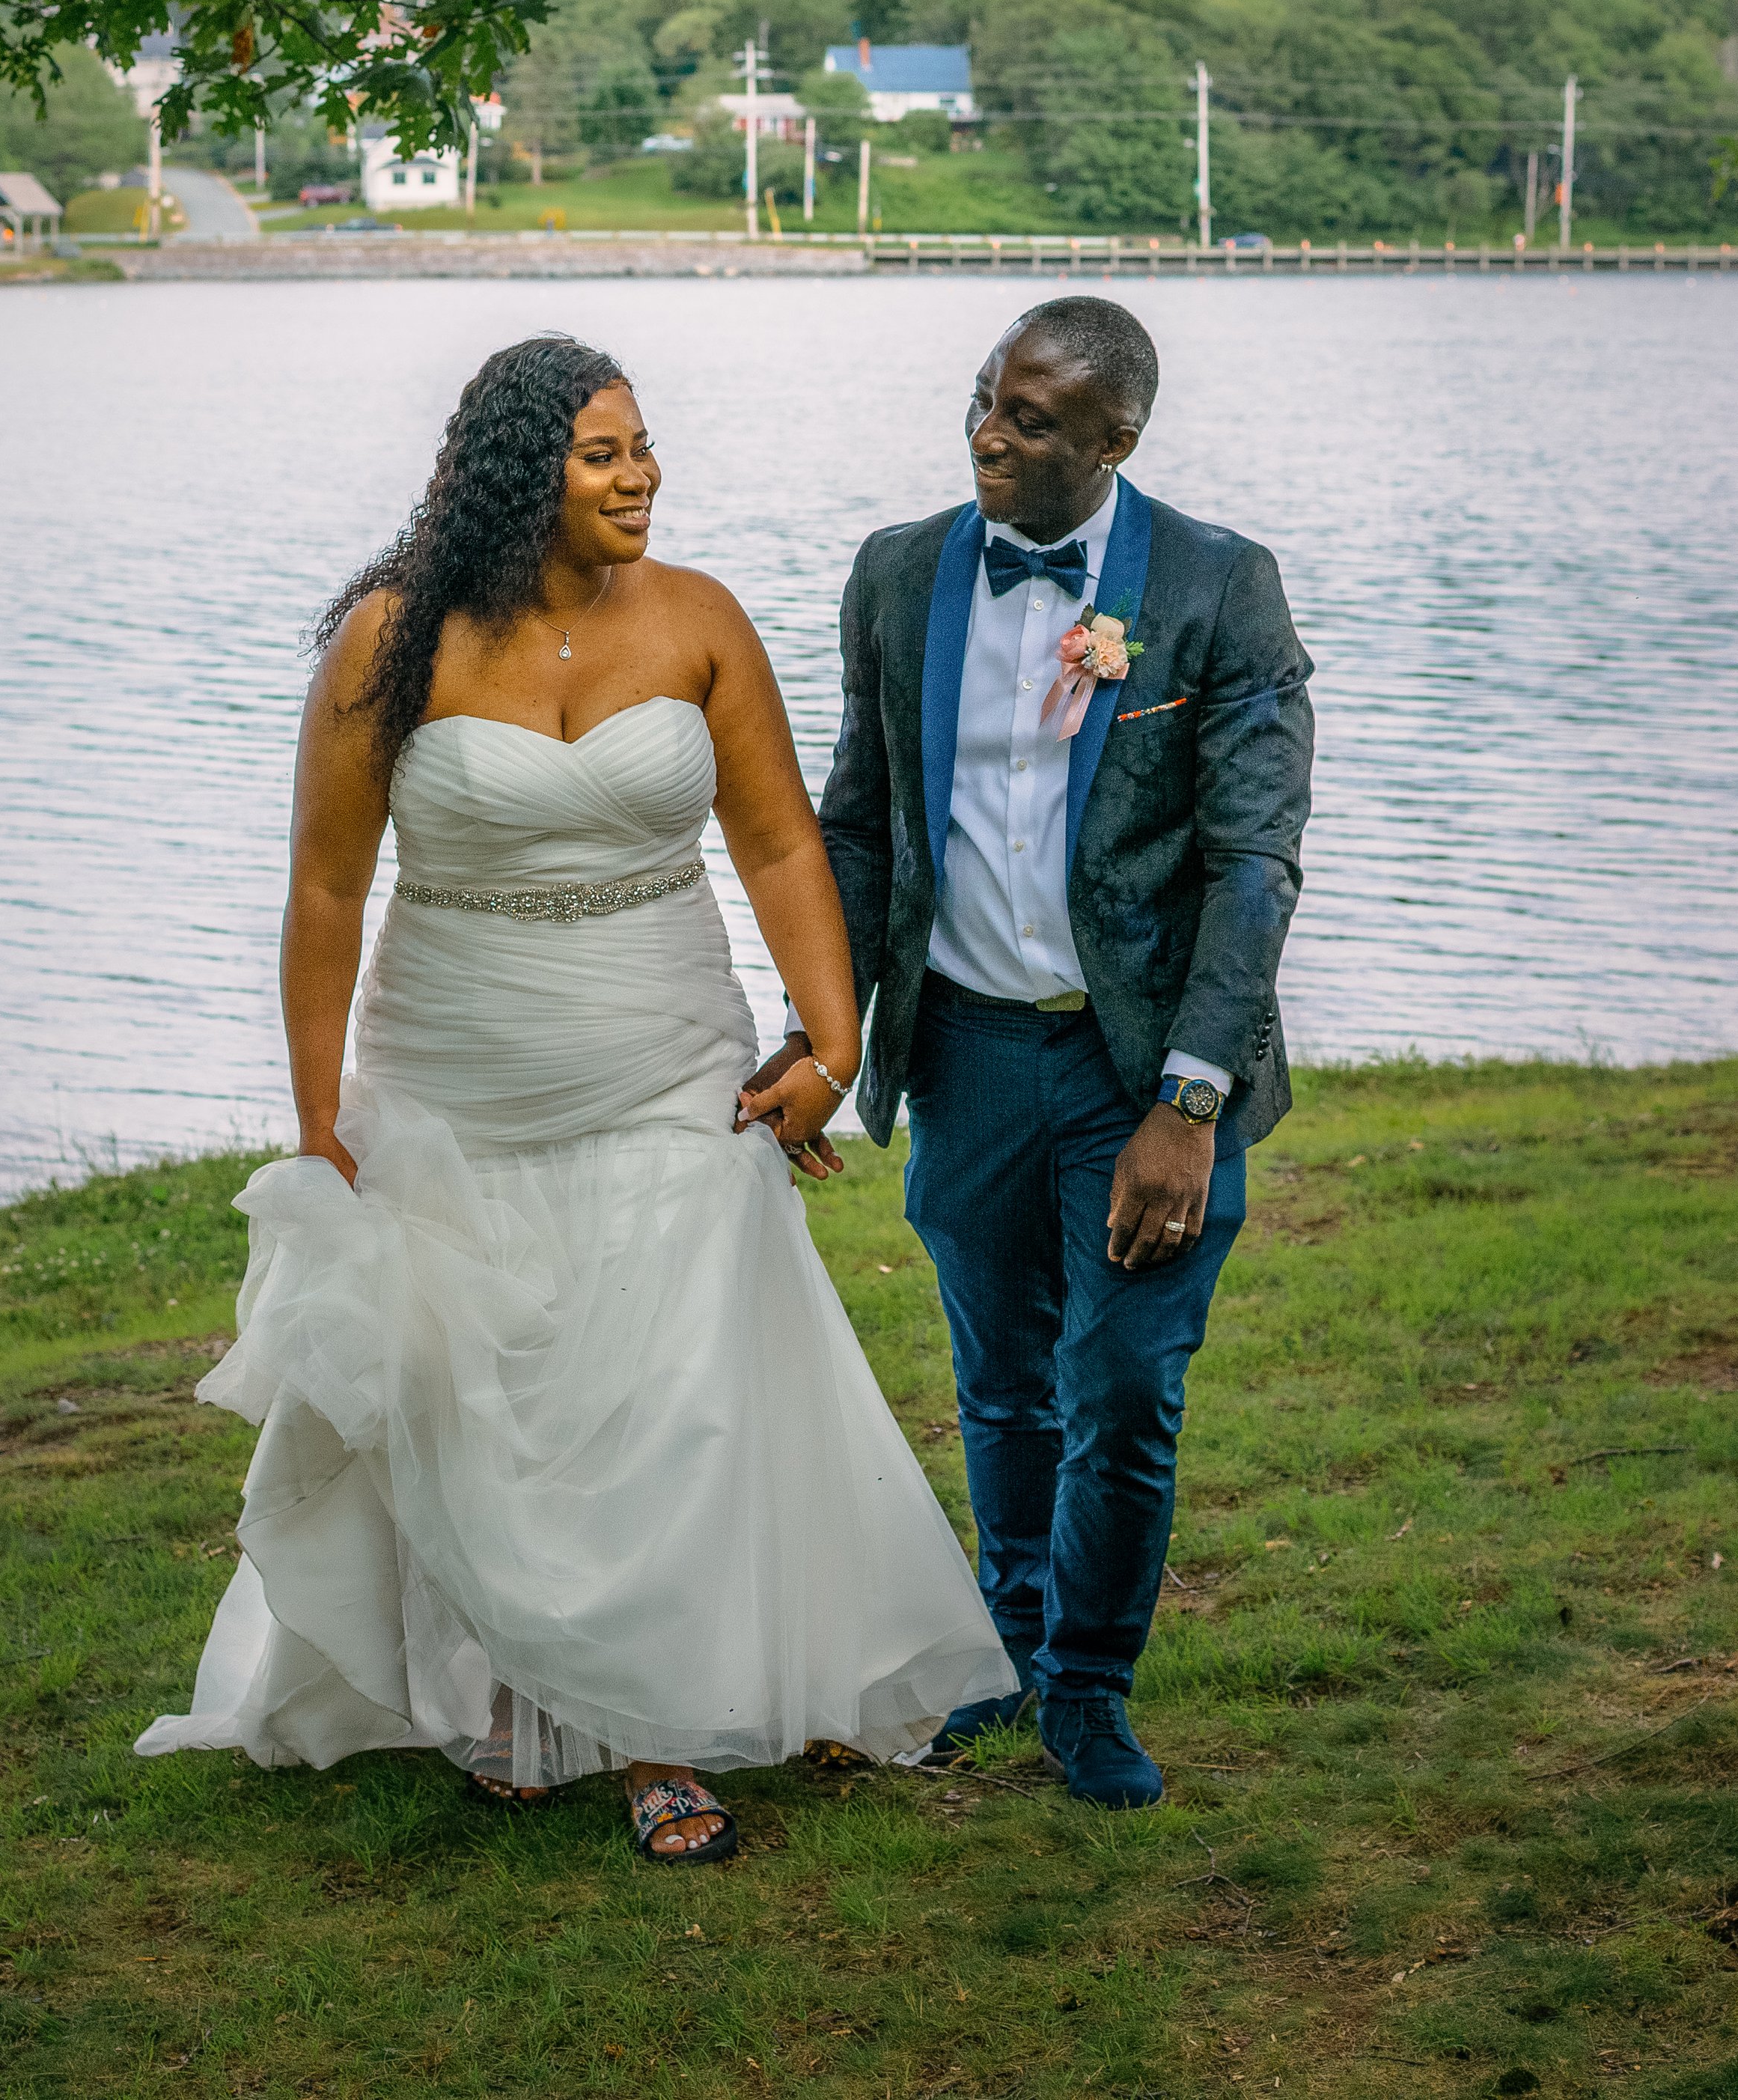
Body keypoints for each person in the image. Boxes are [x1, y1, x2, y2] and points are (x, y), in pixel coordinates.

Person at [136, 335, 1012, 1860]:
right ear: (515, 475)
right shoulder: (390, 643)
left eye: (645, 448)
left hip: (666, 1052)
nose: (640, 476)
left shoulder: (698, 623)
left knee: (674, 1394)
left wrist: (831, 1044)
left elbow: (782, 845)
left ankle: (661, 1734)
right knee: (491, 1399)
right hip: (455, 1068)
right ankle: (508, 1692)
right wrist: (317, 1115)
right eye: (602, 455)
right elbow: (328, 889)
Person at [757, 297, 1313, 1809]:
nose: (989, 435)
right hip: (964, 1055)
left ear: (1114, 439)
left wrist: (1187, 1103)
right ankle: (1006, 1649)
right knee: (1001, 1381)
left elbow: (1251, 858)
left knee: (1122, 1386)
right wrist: (825, 1031)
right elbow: (859, 820)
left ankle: (1089, 1686)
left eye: (1032, 419)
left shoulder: (1214, 587)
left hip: (1136, 1075)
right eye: (985, 401)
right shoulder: (898, 573)